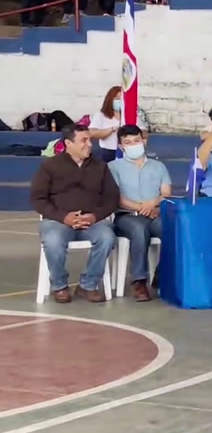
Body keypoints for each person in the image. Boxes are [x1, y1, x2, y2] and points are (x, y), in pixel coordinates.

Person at [30, 123, 119, 304]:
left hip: (92, 221)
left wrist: (94, 216)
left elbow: (112, 198)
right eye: (83, 140)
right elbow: (38, 199)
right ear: (68, 144)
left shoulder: (100, 167)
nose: (89, 144)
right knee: (53, 240)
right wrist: (64, 217)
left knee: (107, 237)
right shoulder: (50, 166)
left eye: (90, 140)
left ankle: (88, 285)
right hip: (58, 220)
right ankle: (59, 286)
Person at [108, 125, 170, 302]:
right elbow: (116, 198)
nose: (133, 145)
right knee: (138, 230)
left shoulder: (158, 167)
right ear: (121, 146)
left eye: (136, 140)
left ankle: (162, 274)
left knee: (172, 229)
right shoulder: (114, 167)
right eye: (127, 142)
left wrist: (152, 205)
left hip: (155, 214)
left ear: (144, 141)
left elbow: (165, 192)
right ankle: (139, 281)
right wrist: (140, 207)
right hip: (127, 216)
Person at [88, 86, 124, 163]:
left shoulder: (130, 115)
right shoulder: (101, 115)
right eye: (117, 99)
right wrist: (112, 129)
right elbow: (92, 133)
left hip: (125, 151)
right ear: (110, 100)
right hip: (107, 151)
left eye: (122, 99)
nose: (120, 101)